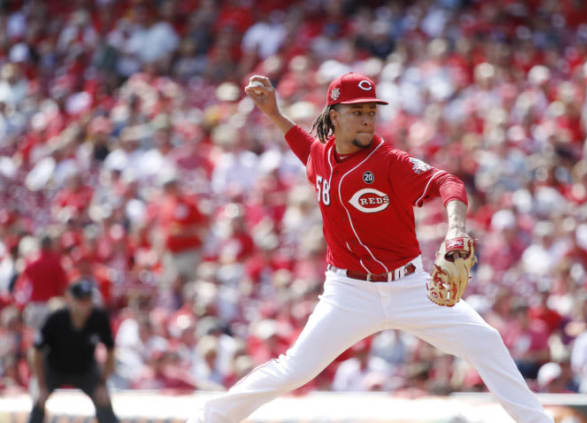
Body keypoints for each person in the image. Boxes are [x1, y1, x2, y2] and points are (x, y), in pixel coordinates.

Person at [189, 73, 553, 423]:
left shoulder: (389, 161)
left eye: (370, 111)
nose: (366, 119)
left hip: (409, 287)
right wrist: (274, 113)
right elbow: (303, 144)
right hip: (349, 293)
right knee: (294, 370)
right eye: (356, 111)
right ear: (334, 115)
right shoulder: (321, 157)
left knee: (485, 341)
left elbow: (448, 182)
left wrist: (455, 227)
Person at [28, 280, 119, 423]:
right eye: (82, 300)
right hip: (54, 369)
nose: (86, 305)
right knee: (38, 400)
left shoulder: (99, 318)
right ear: (71, 300)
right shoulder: (56, 318)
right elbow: (36, 352)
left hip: (85, 369)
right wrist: (40, 385)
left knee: (104, 399)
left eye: (89, 300)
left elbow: (111, 350)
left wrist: (102, 383)